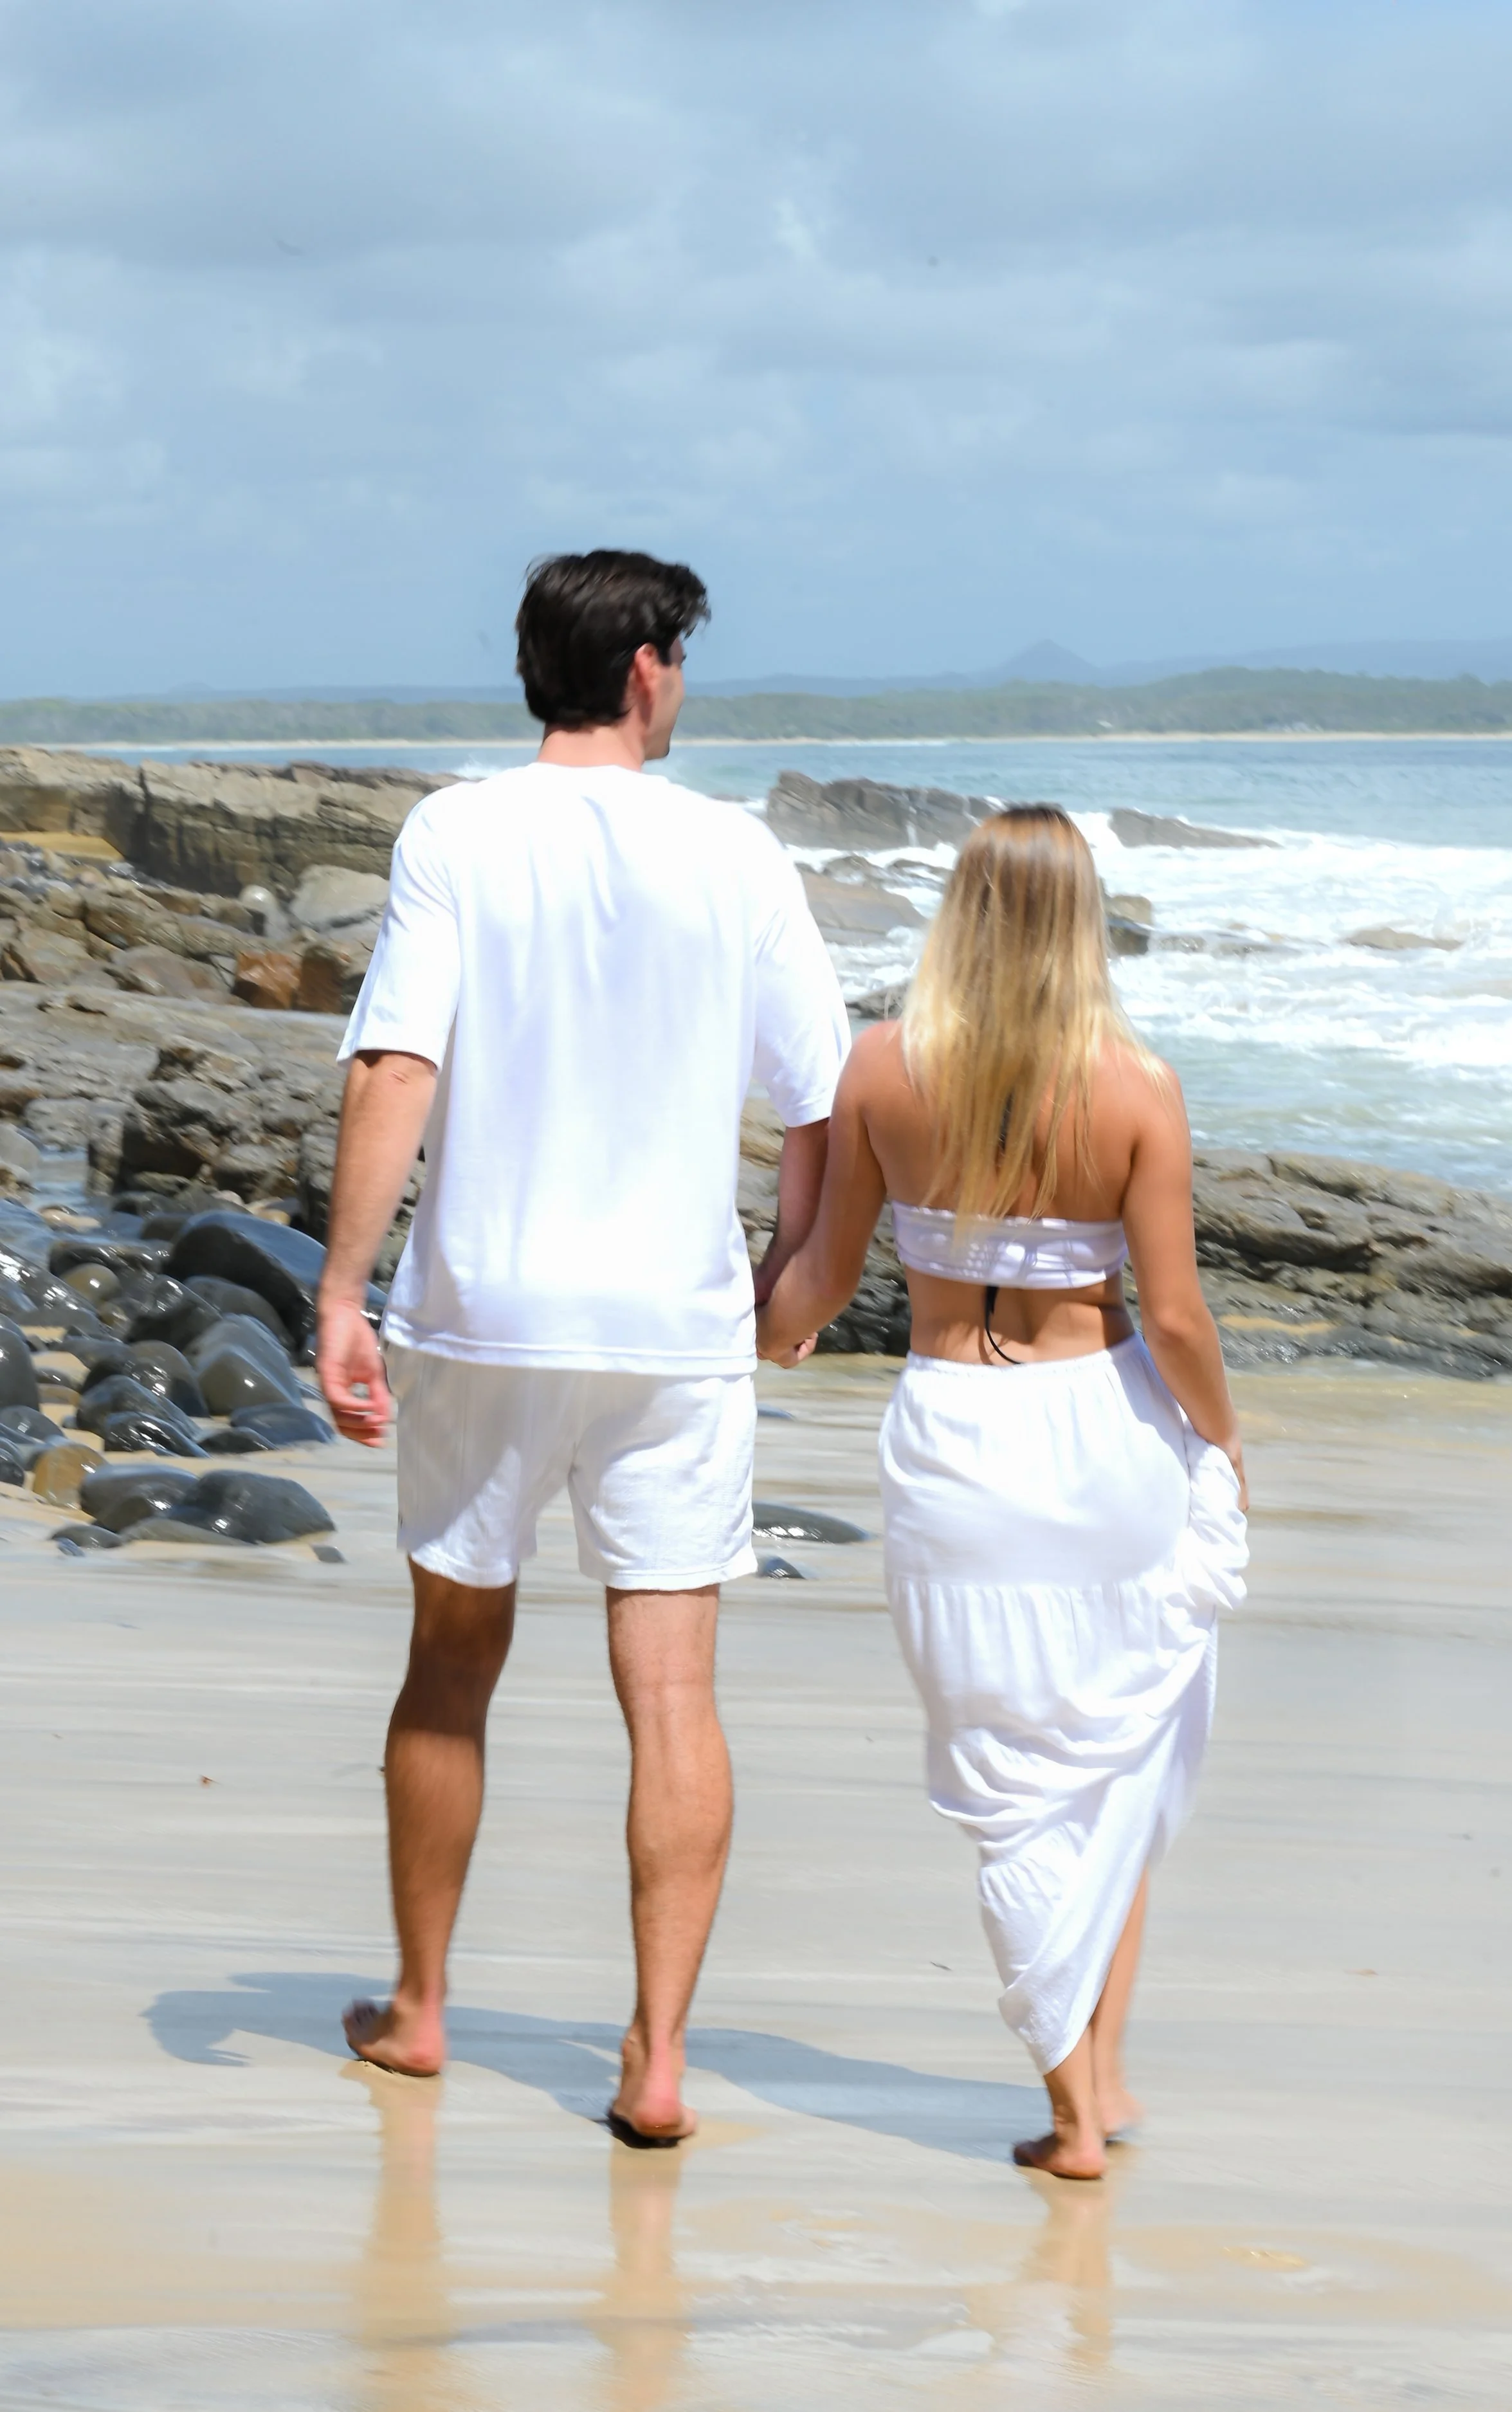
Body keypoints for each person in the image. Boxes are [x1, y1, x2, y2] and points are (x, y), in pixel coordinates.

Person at [315, 549, 850, 2142]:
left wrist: (343, 1285)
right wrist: (786, 1276)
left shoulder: (456, 833)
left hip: (483, 1308)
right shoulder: (737, 853)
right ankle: (658, 2057)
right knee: (670, 1690)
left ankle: (420, 2009)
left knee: (450, 1665)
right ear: (643, 671)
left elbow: (394, 1066)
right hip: (670, 1328)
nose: (681, 685)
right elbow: (816, 1097)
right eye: (680, 661)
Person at [756, 806, 1247, 2180]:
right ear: (1080, 920)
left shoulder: (881, 1068)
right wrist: (1223, 1441)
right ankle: (1096, 2079)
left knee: (1005, 1776)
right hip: (1100, 1438)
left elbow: (814, 1288)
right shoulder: (1136, 1087)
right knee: (1114, 1752)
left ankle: (1075, 2097)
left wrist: (736, 1326)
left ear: (957, 912)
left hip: (954, 1442)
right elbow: (1180, 1319)